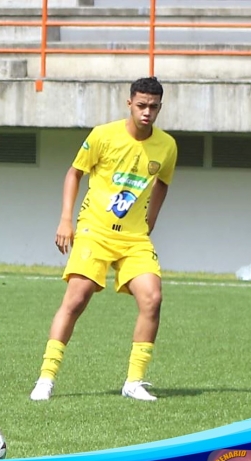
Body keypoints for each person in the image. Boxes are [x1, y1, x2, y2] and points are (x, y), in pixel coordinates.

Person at [29, 76, 178, 403]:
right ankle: (46, 378)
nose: (146, 113)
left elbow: (163, 183)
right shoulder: (103, 135)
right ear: (129, 104)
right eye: (141, 105)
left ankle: (134, 382)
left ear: (160, 108)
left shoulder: (167, 146)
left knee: (152, 298)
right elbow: (74, 172)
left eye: (153, 107)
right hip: (93, 231)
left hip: (134, 239)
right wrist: (66, 219)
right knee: (77, 299)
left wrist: (150, 220)